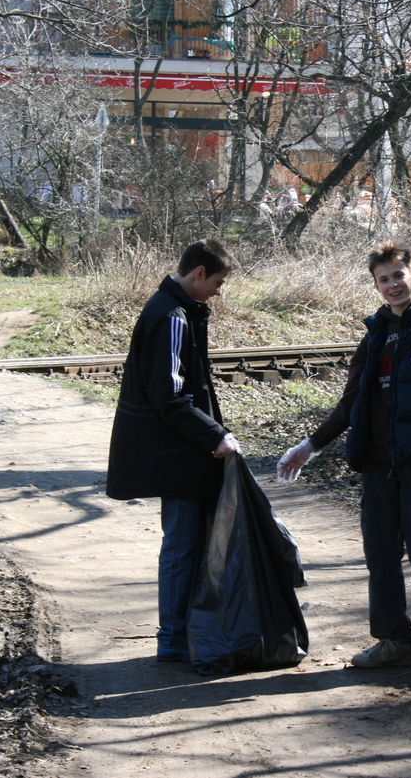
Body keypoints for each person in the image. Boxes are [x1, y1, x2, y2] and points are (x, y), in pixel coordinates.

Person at [278, 243, 411, 676]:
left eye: (398, 276)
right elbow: (351, 402)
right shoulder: (374, 337)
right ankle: (394, 643)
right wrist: (310, 445)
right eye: (383, 279)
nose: (392, 285)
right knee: (381, 557)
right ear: (376, 285)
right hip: (377, 464)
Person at [106, 238, 240, 663]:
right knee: (181, 545)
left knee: (185, 543)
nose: (219, 290)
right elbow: (171, 396)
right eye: (218, 282)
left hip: (176, 449)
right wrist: (214, 436)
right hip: (176, 454)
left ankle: (180, 635)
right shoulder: (172, 316)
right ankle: (173, 640)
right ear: (198, 273)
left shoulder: (173, 309)